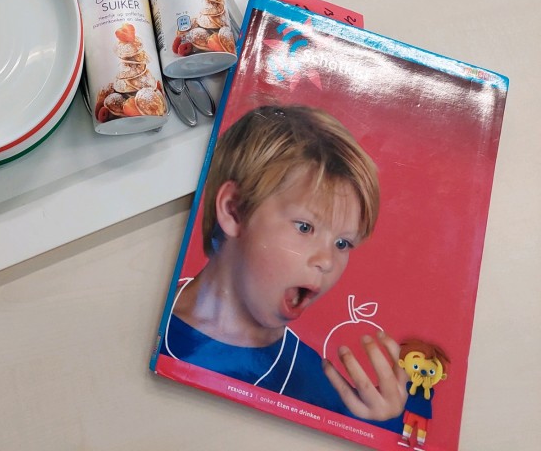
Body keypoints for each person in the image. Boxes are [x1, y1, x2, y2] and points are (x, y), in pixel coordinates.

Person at [160, 104, 407, 424]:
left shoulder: (326, 392)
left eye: (342, 244)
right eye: (305, 227)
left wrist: (378, 425)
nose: (327, 261)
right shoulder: (148, 309)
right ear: (234, 210)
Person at [397, 339, 450, 449]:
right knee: (408, 423)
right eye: (416, 367)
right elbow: (411, 393)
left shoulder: (430, 389)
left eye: (432, 371)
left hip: (424, 412)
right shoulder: (410, 384)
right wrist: (415, 384)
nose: (423, 372)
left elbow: (427, 397)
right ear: (402, 363)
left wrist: (426, 388)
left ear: (442, 376)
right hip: (412, 409)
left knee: (422, 428)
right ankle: (404, 438)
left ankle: (420, 443)